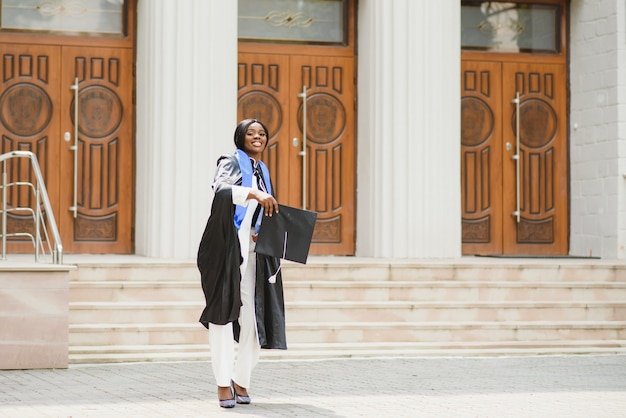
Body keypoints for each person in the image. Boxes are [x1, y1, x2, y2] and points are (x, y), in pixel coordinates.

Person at [197, 118, 287, 409]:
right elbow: (220, 189)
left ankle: (241, 378)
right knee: (223, 313)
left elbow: (261, 211)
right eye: (251, 133)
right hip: (227, 248)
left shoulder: (264, 170)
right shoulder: (231, 162)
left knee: (254, 316)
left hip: (256, 250)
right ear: (240, 137)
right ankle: (223, 382)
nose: (257, 137)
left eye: (261, 133)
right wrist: (254, 193)